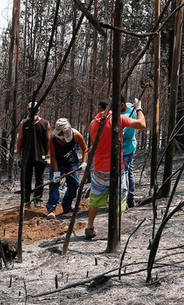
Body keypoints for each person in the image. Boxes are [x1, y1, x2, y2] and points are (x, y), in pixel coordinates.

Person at [85, 99, 145, 240]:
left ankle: (89, 226)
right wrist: (139, 109)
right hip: (117, 169)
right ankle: (115, 229)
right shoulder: (119, 119)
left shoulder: (93, 123)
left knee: (95, 200)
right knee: (119, 199)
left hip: (99, 169)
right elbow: (142, 124)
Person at [46, 118, 88, 217]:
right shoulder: (52, 139)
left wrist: (84, 162)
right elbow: (53, 157)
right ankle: (52, 209)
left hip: (72, 163)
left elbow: (85, 148)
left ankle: (67, 204)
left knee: (74, 185)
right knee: (54, 184)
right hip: (58, 163)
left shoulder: (76, 135)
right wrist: (56, 173)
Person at [16, 102, 50, 206]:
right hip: (26, 157)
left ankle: (37, 200)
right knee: (26, 179)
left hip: (41, 156)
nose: (33, 112)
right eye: (30, 110)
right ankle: (26, 200)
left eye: (35, 110)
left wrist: (48, 156)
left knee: (39, 179)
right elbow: (20, 140)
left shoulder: (45, 123)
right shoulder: (24, 123)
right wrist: (18, 155)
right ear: (28, 110)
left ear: (39, 111)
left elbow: (48, 141)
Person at [121, 95, 141, 207]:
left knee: (127, 172)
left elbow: (138, 124)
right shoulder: (119, 111)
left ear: (122, 104)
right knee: (125, 173)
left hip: (127, 147)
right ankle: (125, 197)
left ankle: (129, 198)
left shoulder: (131, 112)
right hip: (119, 148)